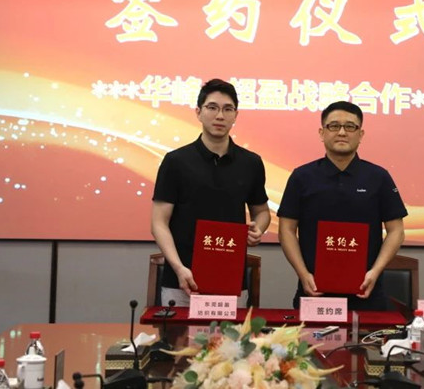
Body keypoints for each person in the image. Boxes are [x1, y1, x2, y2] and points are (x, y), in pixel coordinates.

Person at [151, 78, 271, 307]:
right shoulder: (176, 161)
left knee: (231, 333)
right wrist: (178, 267)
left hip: (230, 279)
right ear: (198, 112)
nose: (220, 116)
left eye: (228, 109)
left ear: (236, 115)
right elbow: (159, 222)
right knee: (179, 333)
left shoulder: (251, 163)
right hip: (182, 280)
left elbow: (262, 211)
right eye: (212, 107)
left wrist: (259, 229)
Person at [278, 101, 406, 310]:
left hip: (367, 295)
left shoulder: (378, 177)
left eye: (350, 126)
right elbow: (287, 229)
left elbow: (396, 230)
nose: (342, 132)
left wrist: (375, 271)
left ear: (361, 134)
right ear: (322, 133)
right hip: (314, 292)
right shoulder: (302, 177)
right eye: (334, 126)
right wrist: (302, 273)